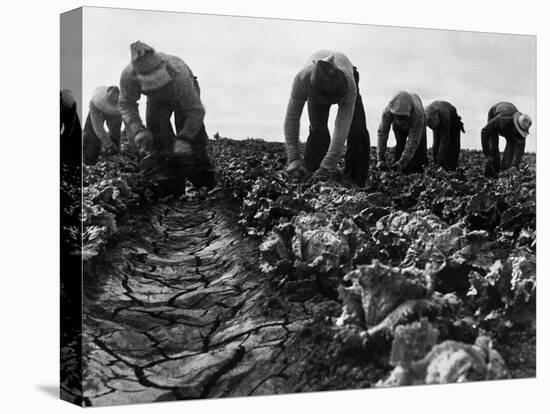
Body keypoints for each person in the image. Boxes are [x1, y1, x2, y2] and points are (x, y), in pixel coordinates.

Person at [119, 41, 216, 191]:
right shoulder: (128, 76)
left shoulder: (179, 74)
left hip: (181, 95)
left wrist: (184, 138)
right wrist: (138, 129)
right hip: (155, 100)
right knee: (157, 137)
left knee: (192, 139)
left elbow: (195, 111)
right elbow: (126, 104)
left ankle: (204, 183)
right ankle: (170, 185)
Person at [284, 50, 371, 187]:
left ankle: (355, 180)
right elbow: (292, 118)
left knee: (357, 130)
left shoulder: (349, 85)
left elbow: (342, 124)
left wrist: (329, 163)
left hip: (346, 77)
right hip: (316, 84)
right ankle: (312, 174)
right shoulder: (302, 79)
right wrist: (293, 157)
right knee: (317, 129)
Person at [377, 91, 428, 174]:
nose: (401, 121)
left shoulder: (418, 115)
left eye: (403, 117)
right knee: (400, 144)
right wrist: (380, 158)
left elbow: (413, 141)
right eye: (398, 117)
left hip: (417, 122)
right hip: (398, 126)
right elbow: (382, 133)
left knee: (420, 150)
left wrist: (403, 162)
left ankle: (420, 172)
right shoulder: (387, 112)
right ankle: (398, 170)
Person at [481, 102, 532, 177]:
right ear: (515, 125)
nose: (519, 134)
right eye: (518, 131)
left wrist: (514, 165)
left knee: (511, 145)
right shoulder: (501, 120)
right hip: (495, 112)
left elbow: (520, 150)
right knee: (493, 146)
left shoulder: (521, 132)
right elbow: (484, 131)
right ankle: (492, 174)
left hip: (509, 115)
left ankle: (504, 172)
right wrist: (487, 153)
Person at [82, 86, 122, 165]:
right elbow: (98, 127)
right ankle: (89, 161)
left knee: (115, 134)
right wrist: (108, 144)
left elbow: (118, 129)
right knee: (91, 134)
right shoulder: (94, 103)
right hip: (96, 110)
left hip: (115, 113)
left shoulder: (120, 106)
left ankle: (113, 157)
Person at [425, 100, 465, 171]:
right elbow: (436, 143)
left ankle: (451, 168)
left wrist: (439, 163)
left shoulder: (444, 116)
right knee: (436, 142)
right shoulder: (426, 115)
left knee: (453, 145)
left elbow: (444, 141)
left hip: (453, 120)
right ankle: (438, 163)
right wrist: (435, 161)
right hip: (436, 119)